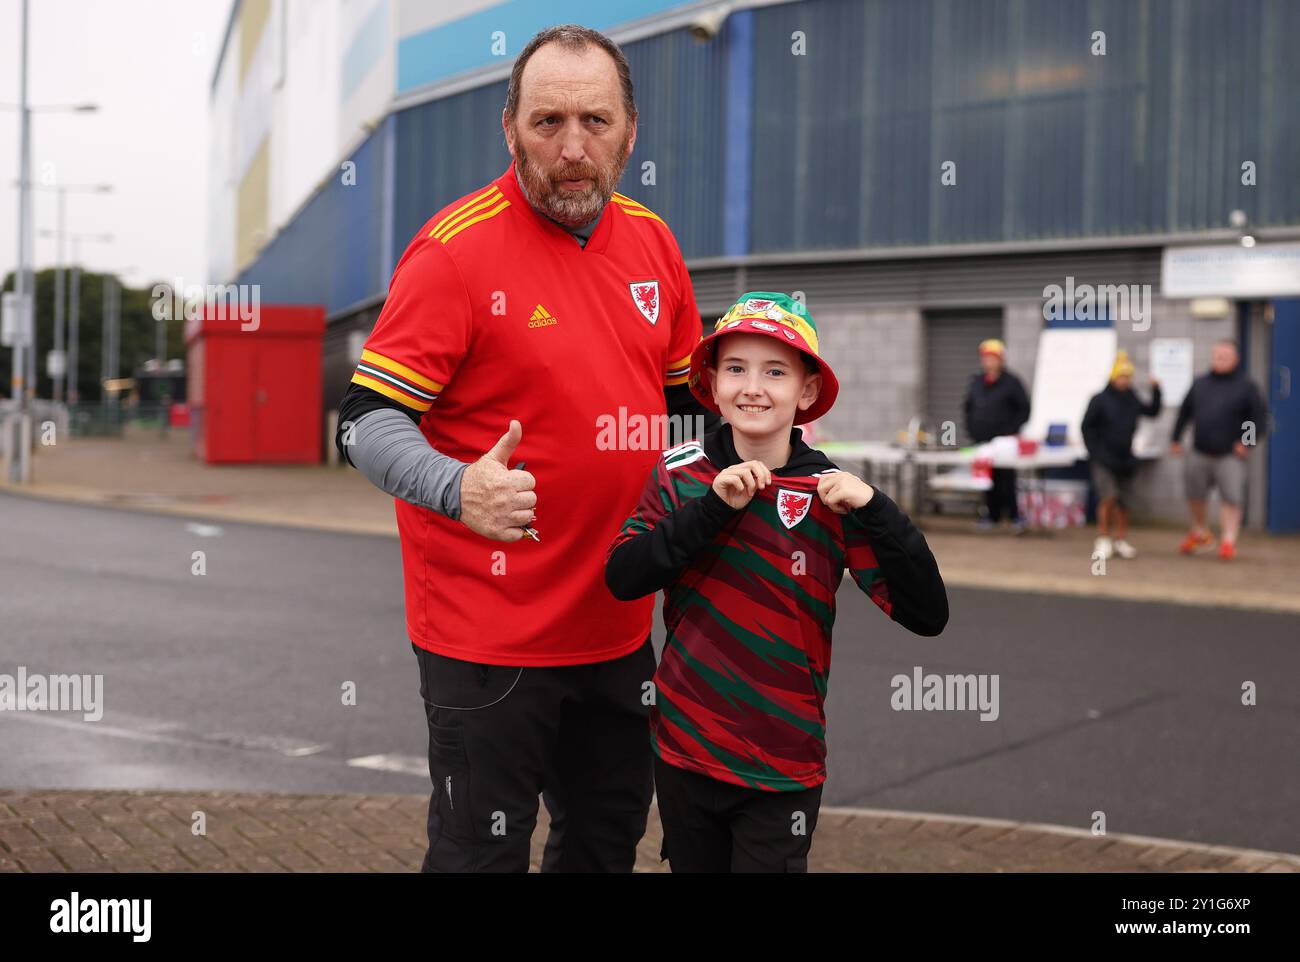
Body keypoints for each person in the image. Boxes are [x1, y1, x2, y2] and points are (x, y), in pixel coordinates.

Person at [333, 24, 717, 872]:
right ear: (508, 129)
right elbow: (362, 422)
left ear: (631, 130)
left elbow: (689, 402)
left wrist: (781, 447)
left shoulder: (653, 241)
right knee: (479, 857)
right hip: (487, 639)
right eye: (548, 123)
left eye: (595, 121)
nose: (573, 149)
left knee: (604, 844)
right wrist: (455, 485)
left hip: (620, 626)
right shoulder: (453, 253)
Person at [605, 292, 948, 872]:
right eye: (735, 369)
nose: (752, 388)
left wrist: (879, 510)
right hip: (686, 751)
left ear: (806, 391)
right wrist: (713, 507)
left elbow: (927, 613)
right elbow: (624, 576)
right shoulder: (679, 473)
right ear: (712, 385)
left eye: (775, 371)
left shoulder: (833, 494)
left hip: (784, 761)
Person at [1170, 339, 1269, 561]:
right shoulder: (1200, 383)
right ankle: (1199, 532)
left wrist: (1247, 442)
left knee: (1231, 498)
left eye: (1225, 357)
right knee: (1195, 495)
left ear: (1235, 360)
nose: (1220, 360)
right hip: (1199, 451)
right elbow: (1184, 413)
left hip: (1230, 455)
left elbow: (1257, 418)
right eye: (1217, 356)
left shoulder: (1246, 386)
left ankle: (1228, 541)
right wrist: (1175, 439)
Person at [1081, 351, 1161, 559]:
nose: (1124, 381)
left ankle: (1121, 539)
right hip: (1103, 458)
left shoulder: (1132, 398)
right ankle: (1103, 538)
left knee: (1124, 501)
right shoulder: (1099, 400)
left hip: (1125, 458)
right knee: (1108, 497)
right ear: (1113, 377)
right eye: (1121, 376)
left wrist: (1157, 390)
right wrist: (1095, 452)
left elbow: (1152, 411)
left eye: (1127, 377)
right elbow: (1087, 427)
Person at [962, 338, 1031, 532]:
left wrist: (1011, 429)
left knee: (1007, 478)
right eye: (986, 358)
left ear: (1001, 360)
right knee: (986, 478)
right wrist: (970, 428)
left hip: (1005, 442)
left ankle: (1014, 515)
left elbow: (1024, 409)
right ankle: (991, 515)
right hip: (982, 440)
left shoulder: (1012, 382)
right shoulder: (976, 381)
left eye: (993, 358)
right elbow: (968, 407)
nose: (989, 362)